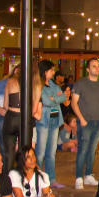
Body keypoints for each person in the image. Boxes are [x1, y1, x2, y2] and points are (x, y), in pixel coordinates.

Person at [71, 58, 99, 189]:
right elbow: (73, 103)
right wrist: (81, 119)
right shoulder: (81, 84)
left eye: (98, 66)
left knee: (92, 150)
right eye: (94, 66)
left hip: (98, 122)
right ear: (87, 69)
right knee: (82, 150)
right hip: (85, 122)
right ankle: (78, 177)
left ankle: (88, 175)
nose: (97, 68)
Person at [35, 60, 67, 188]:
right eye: (51, 70)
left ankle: (51, 179)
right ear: (45, 71)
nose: (54, 73)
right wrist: (55, 98)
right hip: (43, 121)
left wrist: (55, 98)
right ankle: (36, 178)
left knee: (51, 153)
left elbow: (63, 97)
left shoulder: (53, 85)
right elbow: (47, 101)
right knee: (40, 152)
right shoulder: (39, 85)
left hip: (55, 120)